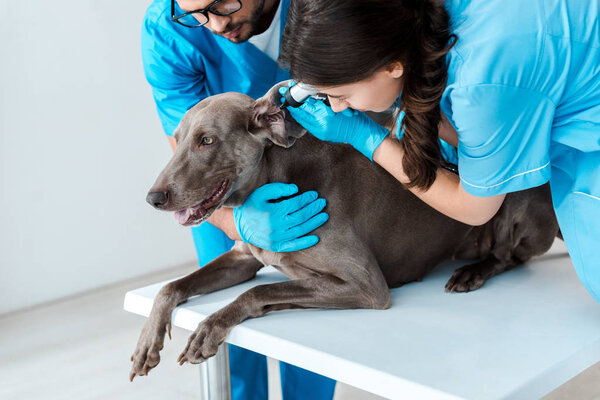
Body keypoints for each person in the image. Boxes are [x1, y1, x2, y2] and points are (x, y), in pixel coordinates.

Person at [278, 0, 600, 304]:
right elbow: (493, 143)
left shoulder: (482, 79)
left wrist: (365, 137)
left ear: (392, 66)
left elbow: (475, 207)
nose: (336, 106)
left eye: (342, 94)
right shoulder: (413, 19)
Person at [140, 0, 334, 399]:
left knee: (314, 327)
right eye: (195, 12)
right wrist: (239, 225)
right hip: (220, 190)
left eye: (221, 4)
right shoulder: (169, 29)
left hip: (314, 183)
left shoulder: (327, 9)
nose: (211, 24)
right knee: (230, 339)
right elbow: (181, 145)